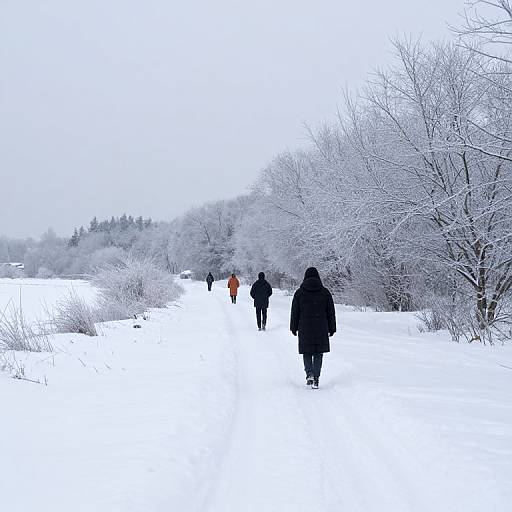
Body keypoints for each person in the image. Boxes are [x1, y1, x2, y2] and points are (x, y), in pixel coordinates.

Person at [290, 267, 336, 389]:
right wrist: (332, 328)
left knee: (307, 351)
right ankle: (316, 377)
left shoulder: (299, 293)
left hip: (305, 327)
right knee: (318, 353)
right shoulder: (325, 292)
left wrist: (293, 327)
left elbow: (295, 312)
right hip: (321, 327)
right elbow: (330, 312)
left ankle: (309, 373)